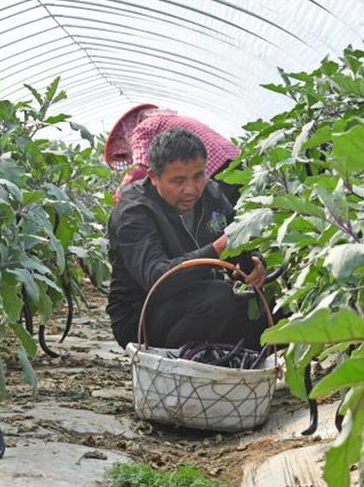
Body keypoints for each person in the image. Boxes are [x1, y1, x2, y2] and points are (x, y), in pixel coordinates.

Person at [106, 127, 267, 351]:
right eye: (178, 180)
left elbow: (237, 241)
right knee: (217, 298)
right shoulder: (134, 211)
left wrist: (255, 263)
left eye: (198, 176)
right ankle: (179, 369)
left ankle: (232, 370)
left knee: (266, 309)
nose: (191, 189)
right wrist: (218, 248)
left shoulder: (210, 193)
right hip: (140, 317)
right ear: (153, 177)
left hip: (194, 299)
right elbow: (156, 278)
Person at [104, 104, 241, 205]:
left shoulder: (142, 128)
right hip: (238, 161)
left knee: (221, 227)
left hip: (216, 172)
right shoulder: (167, 120)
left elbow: (140, 168)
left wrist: (120, 195)